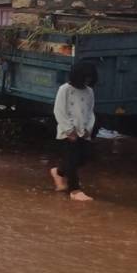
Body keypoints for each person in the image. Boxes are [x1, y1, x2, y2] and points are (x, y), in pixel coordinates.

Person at [50, 62, 98, 201]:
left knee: (83, 158)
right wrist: (69, 130)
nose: (87, 81)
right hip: (67, 133)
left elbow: (90, 112)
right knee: (71, 160)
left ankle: (58, 172)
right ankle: (75, 190)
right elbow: (59, 110)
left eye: (89, 78)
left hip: (83, 131)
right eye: (85, 77)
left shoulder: (89, 91)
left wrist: (89, 128)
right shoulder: (64, 89)